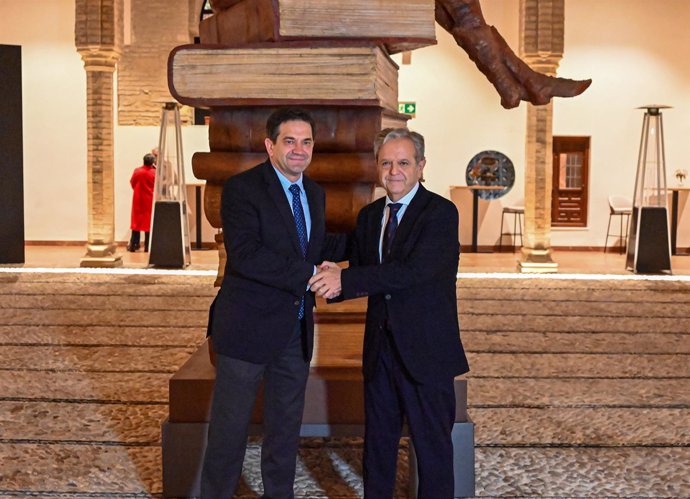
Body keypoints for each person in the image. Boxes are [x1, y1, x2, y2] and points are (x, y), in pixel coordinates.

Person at [309, 128, 470, 499]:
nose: (394, 171)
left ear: (421, 167)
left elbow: (412, 272)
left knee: (432, 454)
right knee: (377, 451)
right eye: (386, 162)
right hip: (380, 353)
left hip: (427, 356)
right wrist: (306, 257)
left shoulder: (441, 213)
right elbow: (353, 255)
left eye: (403, 162)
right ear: (376, 168)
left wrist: (344, 280)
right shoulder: (370, 216)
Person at [200, 107, 348, 499]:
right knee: (229, 432)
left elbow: (316, 246)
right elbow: (247, 255)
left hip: (295, 334)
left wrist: (376, 234)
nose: (299, 150)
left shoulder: (313, 193)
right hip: (246, 332)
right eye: (290, 141)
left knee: (284, 433)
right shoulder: (242, 189)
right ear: (270, 145)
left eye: (306, 142)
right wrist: (312, 273)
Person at [127, 153, 156, 252]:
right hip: (149, 200)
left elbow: (132, 183)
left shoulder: (137, 171)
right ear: (152, 162)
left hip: (137, 199)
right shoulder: (154, 172)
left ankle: (133, 245)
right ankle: (148, 246)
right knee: (148, 224)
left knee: (136, 223)